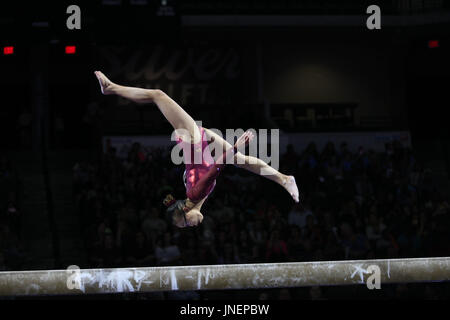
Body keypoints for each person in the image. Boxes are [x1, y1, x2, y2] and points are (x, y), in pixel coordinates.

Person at [94, 71, 299, 228]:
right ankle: (284, 179)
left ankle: (111, 88)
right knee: (243, 161)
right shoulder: (195, 198)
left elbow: (216, 168)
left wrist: (236, 145)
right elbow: (170, 199)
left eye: (185, 223)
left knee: (158, 95)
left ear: (186, 210)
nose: (190, 226)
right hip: (203, 141)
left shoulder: (194, 194)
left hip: (194, 140)